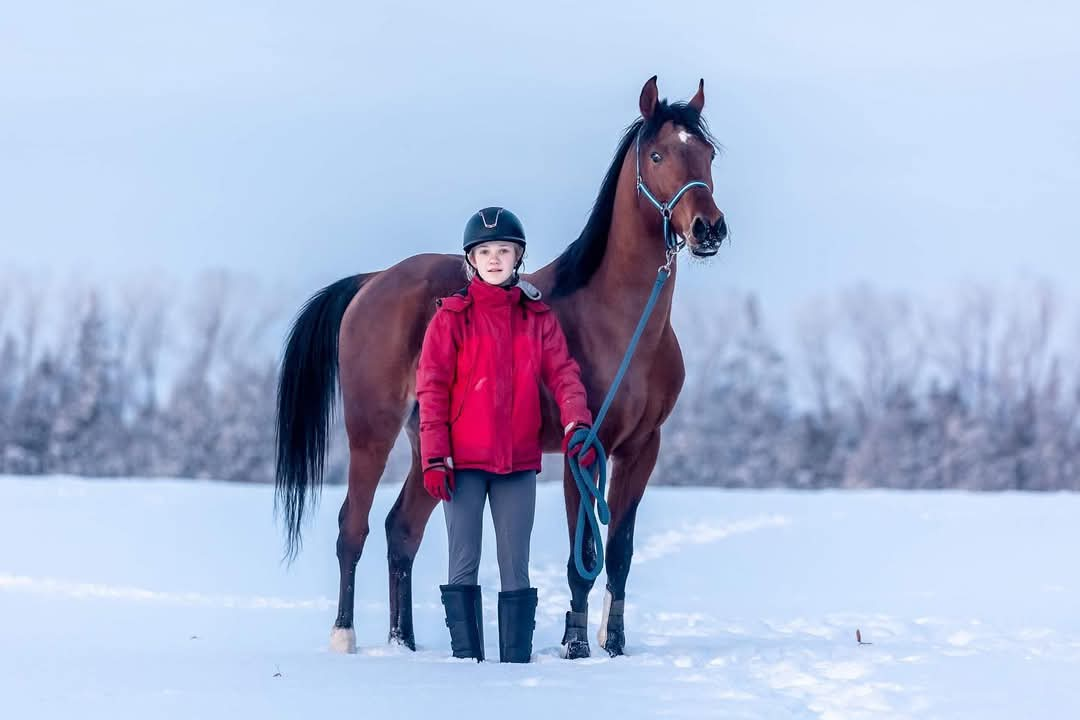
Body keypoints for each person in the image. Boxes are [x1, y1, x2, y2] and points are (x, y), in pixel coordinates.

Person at [416, 206, 597, 663]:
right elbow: (431, 389)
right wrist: (434, 456)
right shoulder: (451, 318)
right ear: (471, 260)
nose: (494, 259)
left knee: (516, 565)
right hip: (463, 465)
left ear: (518, 256)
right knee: (464, 564)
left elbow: (564, 373)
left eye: (503, 250)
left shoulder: (537, 318)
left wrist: (577, 421)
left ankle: (515, 664)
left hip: (518, 464)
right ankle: (466, 663)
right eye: (484, 251)